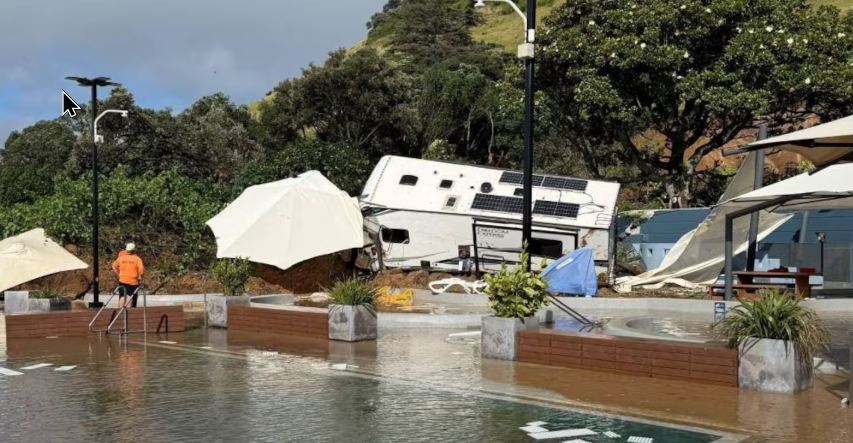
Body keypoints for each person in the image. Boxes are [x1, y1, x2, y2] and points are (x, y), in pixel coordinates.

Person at [112, 242, 145, 308]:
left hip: (122, 280)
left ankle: (120, 312)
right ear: (134, 250)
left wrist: (119, 274)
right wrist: (140, 276)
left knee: (122, 296)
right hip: (133, 281)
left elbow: (113, 266)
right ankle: (128, 313)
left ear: (126, 250)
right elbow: (142, 270)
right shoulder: (137, 259)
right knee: (130, 297)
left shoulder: (121, 258)